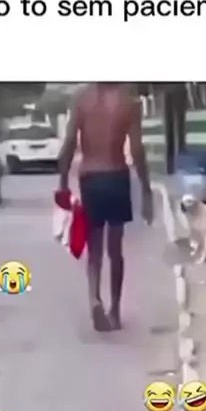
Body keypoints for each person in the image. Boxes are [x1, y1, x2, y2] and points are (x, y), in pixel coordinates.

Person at [58, 82, 153, 331]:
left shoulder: (81, 99)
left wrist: (63, 183)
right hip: (117, 175)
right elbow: (137, 149)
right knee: (115, 250)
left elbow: (69, 143)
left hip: (90, 177)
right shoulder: (129, 101)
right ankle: (115, 310)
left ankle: (94, 299)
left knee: (94, 248)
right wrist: (146, 189)